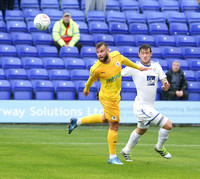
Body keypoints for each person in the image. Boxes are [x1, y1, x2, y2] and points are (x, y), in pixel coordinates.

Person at [68, 42, 150, 165]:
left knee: (106, 118)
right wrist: (86, 89)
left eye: (101, 51)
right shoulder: (96, 68)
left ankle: (77, 121)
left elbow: (124, 60)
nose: (99, 54)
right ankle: (112, 157)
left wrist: (138, 67)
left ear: (107, 50)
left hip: (116, 96)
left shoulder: (116, 55)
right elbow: (90, 80)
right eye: (97, 52)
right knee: (114, 124)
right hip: (107, 98)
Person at [120, 44, 173, 162]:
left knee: (141, 130)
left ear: (151, 54)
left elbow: (165, 82)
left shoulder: (156, 66)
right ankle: (159, 147)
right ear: (139, 55)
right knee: (168, 125)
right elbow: (119, 74)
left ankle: (126, 150)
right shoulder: (134, 67)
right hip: (141, 106)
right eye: (142, 53)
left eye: (147, 53)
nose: (145, 55)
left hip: (149, 106)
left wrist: (166, 86)